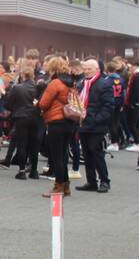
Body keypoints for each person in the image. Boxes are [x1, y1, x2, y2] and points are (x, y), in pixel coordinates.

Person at [37, 56, 76, 197]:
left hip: (56, 121)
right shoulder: (71, 82)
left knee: (56, 156)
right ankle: (65, 185)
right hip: (69, 122)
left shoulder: (55, 83)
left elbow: (43, 104)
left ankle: (58, 186)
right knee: (64, 154)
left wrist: (37, 103)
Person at [75, 59, 113, 193]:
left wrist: (96, 119)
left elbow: (108, 107)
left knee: (96, 152)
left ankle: (104, 181)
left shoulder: (104, 84)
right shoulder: (81, 84)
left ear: (97, 70)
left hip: (97, 125)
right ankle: (91, 182)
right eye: (84, 69)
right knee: (86, 154)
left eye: (89, 69)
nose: (86, 72)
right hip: (83, 123)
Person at [5, 65, 40, 180]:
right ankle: (34, 171)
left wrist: (15, 108)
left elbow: (8, 104)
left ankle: (22, 171)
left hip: (21, 117)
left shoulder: (17, 88)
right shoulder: (38, 88)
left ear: (22, 75)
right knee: (34, 145)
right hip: (35, 118)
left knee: (22, 144)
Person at [125, 59, 139, 150]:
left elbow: (136, 91)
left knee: (132, 124)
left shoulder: (138, 77)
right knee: (136, 124)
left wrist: (131, 103)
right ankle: (138, 142)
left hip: (136, 103)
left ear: (135, 66)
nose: (130, 69)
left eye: (131, 67)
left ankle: (138, 142)